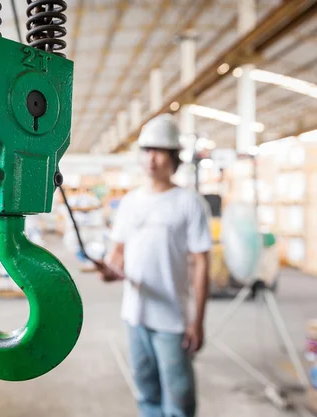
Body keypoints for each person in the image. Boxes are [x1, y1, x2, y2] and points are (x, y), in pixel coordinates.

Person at [98, 114, 212, 417]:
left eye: (159, 151)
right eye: (147, 150)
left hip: (173, 320)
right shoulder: (130, 202)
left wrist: (197, 321)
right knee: (146, 394)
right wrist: (110, 270)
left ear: (173, 157)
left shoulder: (189, 203)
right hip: (134, 315)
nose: (151, 159)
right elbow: (117, 253)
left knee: (180, 399)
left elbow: (201, 264)